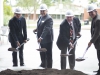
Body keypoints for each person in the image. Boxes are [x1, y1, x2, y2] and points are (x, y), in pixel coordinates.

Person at [33, 4, 53, 68]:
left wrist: (41, 37)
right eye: (41, 11)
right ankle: (43, 64)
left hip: (47, 39)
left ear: (46, 10)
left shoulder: (49, 19)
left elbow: (46, 29)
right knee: (42, 52)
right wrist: (36, 29)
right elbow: (40, 26)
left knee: (48, 53)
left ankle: (49, 67)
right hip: (41, 39)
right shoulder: (40, 17)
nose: (42, 12)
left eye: (43, 11)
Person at [87, 4, 100, 75]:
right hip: (97, 43)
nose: (90, 14)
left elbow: (97, 34)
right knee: (99, 57)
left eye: (91, 12)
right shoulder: (94, 18)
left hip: (99, 42)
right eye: (89, 12)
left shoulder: (98, 20)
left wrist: (91, 41)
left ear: (95, 11)